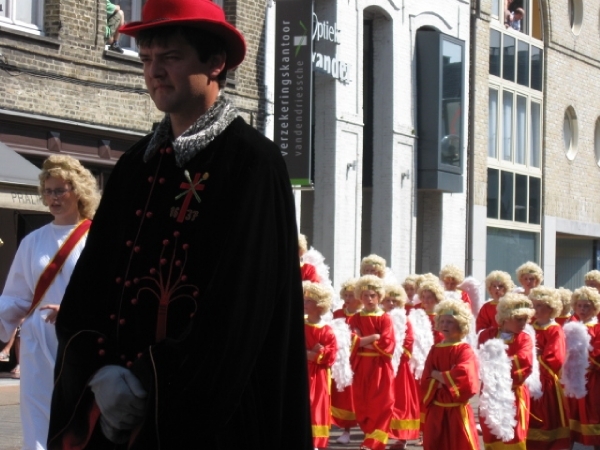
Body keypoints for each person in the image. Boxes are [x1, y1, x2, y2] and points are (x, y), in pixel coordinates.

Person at [47, 0, 312, 448]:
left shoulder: (251, 164)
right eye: (147, 59)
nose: (154, 71)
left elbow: (238, 311)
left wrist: (153, 381)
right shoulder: (135, 164)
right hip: (113, 415)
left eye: (170, 57)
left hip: (208, 420)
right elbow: (90, 285)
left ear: (215, 62)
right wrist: (101, 371)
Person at [0, 155, 99, 450]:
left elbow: (105, 293)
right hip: (36, 344)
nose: (52, 198)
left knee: (77, 417)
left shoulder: (96, 237)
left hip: (77, 342)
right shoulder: (33, 241)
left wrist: (71, 312)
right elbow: (16, 296)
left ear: (78, 191)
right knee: (37, 418)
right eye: (48, 190)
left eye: (60, 190)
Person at [421, 299, 480, 450]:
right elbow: (427, 375)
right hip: (437, 409)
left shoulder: (464, 350)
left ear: (460, 324)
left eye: (450, 322)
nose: (445, 325)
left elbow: (464, 374)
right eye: (443, 321)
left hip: (457, 411)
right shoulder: (435, 349)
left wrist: (438, 376)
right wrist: (445, 377)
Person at [478, 293, 535, 450]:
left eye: (525, 319)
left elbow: (525, 361)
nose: (523, 323)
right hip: (490, 393)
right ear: (505, 318)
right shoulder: (486, 335)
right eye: (519, 319)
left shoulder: (524, 338)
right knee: (491, 433)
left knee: (514, 435)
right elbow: (483, 360)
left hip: (513, 394)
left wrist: (500, 371)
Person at [349, 275, 395, 450]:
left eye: (373, 295)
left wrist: (363, 342)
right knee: (362, 404)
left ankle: (374, 443)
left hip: (379, 367)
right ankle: (369, 436)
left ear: (379, 296)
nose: (369, 299)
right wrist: (372, 338)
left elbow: (388, 342)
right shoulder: (355, 318)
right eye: (365, 295)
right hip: (360, 367)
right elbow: (350, 339)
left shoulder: (385, 318)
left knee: (381, 404)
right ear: (360, 297)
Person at [526, 287, 569, 450]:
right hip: (528, 377)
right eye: (534, 305)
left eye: (539, 306)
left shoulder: (555, 329)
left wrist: (535, 357)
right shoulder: (530, 326)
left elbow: (555, 357)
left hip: (545, 381)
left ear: (551, 308)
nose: (535, 309)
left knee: (546, 417)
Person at [381, 284, 420, 450]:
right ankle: (380, 434)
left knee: (401, 400)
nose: (391, 304)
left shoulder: (405, 320)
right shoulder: (381, 317)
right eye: (387, 300)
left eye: (394, 301)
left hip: (400, 367)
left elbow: (409, 341)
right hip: (383, 365)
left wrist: (397, 352)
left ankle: (402, 438)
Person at [303, 282, 337, 450]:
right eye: (305, 300)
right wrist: (310, 353)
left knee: (317, 404)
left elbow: (331, 354)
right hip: (302, 371)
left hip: (319, 375)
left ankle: (315, 442)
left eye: (309, 301)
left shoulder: (327, 330)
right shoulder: (300, 326)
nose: (305, 304)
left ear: (319, 305)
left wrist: (319, 353)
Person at [568, 286, 600, 448]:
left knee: (592, 414)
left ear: (594, 308)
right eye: (579, 305)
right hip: (573, 377)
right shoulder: (570, 326)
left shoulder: (597, 327)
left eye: (586, 306)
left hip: (591, 379)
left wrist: (586, 359)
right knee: (571, 415)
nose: (582, 309)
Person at [331, 278, 360, 444]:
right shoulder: (337, 314)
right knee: (344, 396)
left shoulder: (361, 316)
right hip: (343, 361)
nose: (348, 298)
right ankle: (346, 430)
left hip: (360, 360)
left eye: (351, 295)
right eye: (346, 295)